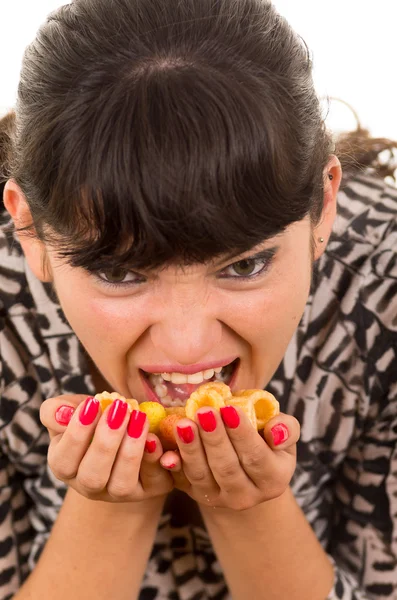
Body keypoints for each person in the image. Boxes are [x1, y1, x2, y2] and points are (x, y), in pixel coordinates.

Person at [0, 0, 396, 598]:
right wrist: (113, 505)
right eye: (120, 272)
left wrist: (249, 508)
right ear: (29, 229)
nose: (187, 346)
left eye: (247, 264)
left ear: (325, 205)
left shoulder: (384, 286)